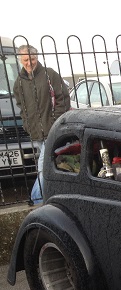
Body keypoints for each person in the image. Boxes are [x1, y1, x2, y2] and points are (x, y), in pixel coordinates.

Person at [13, 44, 71, 205]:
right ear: (20, 60)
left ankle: (37, 199)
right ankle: (49, 196)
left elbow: (63, 98)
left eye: (32, 59)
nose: (29, 63)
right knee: (50, 162)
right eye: (25, 59)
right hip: (36, 131)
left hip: (51, 128)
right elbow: (21, 106)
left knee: (43, 163)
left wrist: (55, 121)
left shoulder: (49, 74)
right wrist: (27, 124)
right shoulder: (19, 82)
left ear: (37, 58)